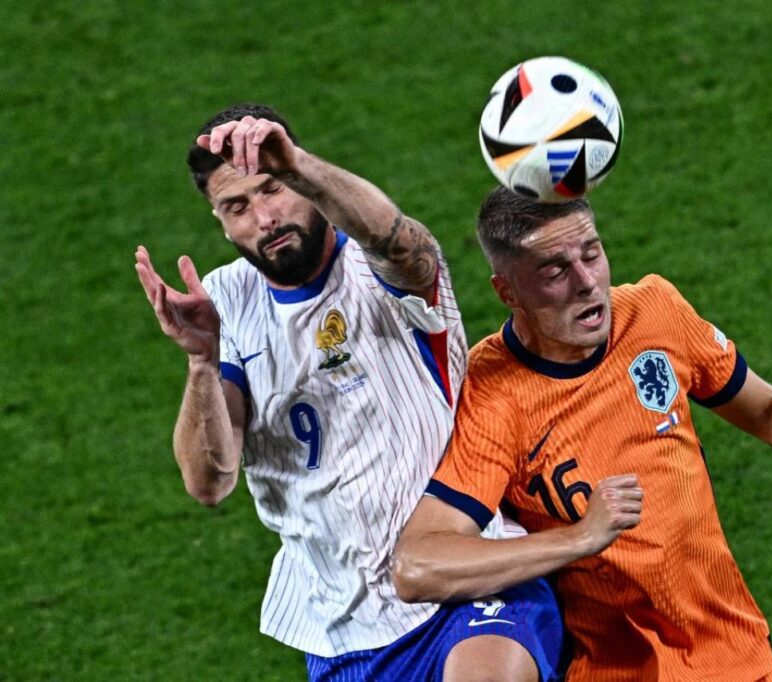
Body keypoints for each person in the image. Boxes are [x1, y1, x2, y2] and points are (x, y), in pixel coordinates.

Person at [392, 187, 772, 681]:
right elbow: (419, 563)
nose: (586, 282)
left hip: (732, 653)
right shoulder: (494, 394)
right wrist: (580, 538)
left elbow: (769, 409)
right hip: (615, 670)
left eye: (592, 253)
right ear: (507, 291)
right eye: (554, 269)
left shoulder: (654, 312)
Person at [135, 105, 563, 682]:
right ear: (220, 221)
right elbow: (209, 481)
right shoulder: (227, 301)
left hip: (468, 577)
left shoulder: (377, 264)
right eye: (238, 206)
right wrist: (201, 361)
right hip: (344, 629)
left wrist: (298, 164)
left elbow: (393, 237)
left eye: (276, 188)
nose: (265, 217)